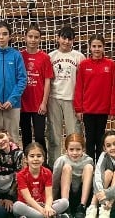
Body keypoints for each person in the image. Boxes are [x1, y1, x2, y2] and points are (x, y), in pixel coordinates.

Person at [75, 34, 115, 159]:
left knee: (100, 140)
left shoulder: (110, 64)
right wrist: (78, 109)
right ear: (90, 47)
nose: (97, 49)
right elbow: (79, 87)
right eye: (94, 46)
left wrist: (113, 109)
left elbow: (113, 88)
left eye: (99, 46)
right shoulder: (84, 65)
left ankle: (99, 166)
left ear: (104, 47)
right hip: (88, 109)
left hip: (103, 110)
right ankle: (89, 165)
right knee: (89, 140)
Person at [48, 25, 85, 165]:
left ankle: (76, 165)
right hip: (54, 98)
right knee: (54, 135)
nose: (66, 41)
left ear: (73, 40)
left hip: (72, 100)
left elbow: (82, 82)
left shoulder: (79, 57)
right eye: (64, 38)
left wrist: (81, 104)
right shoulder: (51, 56)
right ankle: (54, 164)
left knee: (74, 135)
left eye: (70, 39)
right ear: (58, 38)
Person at [13, 142, 71, 218]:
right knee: (17, 206)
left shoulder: (47, 172)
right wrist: (43, 211)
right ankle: (54, 216)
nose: (35, 159)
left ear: (43, 159)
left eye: (39, 156)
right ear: (26, 159)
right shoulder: (21, 175)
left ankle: (40, 216)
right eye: (32, 156)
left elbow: (49, 196)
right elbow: (28, 199)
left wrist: (48, 207)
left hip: (43, 204)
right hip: (28, 206)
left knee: (65, 202)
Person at [21, 25, 54, 152]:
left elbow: (47, 81)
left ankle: (43, 161)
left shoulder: (45, 57)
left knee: (40, 136)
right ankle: (26, 160)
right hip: (23, 103)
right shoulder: (19, 56)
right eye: (30, 36)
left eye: (36, 37)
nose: (33, 40)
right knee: (26, 136)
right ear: (25, 38)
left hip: (38, 104)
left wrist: (44, 103)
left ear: (40, 39)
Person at [87, 130, 115, 218]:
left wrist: (107, 193)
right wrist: (103, 198)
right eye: (108, 145)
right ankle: (92, 207)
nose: (112, 147)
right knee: (108, 173)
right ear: (104, 148)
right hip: (99, 197)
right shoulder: (104, 156)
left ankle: (106, 209)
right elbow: (97, 176)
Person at [52, 133, 95, 218]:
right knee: (67, 167)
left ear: (83, 149)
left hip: (82, 195)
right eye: (71, 149)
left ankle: (82, 207)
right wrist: (52, 200)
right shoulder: (61, 160)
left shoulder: (89, 160)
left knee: (89, 167)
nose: (74, 153)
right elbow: (55, 183)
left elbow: (92, 182)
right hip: (66, 195)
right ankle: (65, 208)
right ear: (66, 149)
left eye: (78, 149)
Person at [0, 126, 24, 212]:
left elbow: (19, 177)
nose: (0, 141)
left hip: (13, 189)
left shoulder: (19, 154)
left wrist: (9, 197)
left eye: (1, 137)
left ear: (7, 135)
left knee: (13, 209)